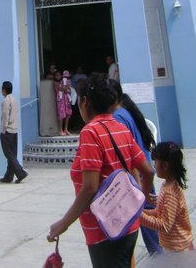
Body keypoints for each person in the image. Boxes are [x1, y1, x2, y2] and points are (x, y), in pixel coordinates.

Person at [47, 74, 154, 268]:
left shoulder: (90, 132)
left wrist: (63, 223)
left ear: (85, 102)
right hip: (129, 224)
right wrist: (139, 204)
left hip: (103, 230)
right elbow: (148, 172)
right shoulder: (120, 128)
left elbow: (89, 188)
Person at [111, 80, 160, 255]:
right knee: (150, 223)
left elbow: (125, 153)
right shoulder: (125, 112)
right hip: (141, 174)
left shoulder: (118, 118)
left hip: (137, 178)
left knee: (147, 225)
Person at [140, 141, 194, 252]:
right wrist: (143, 212)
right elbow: (160, 213)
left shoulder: (170, 193)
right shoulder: (167, 185)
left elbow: (165, 225)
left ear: (165, 165)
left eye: (155, 162)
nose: (153, 165)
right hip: (175, 245)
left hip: (178, 248)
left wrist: (140, 217)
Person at [0, 80, 28, 184]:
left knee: (9, 155)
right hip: (15, 130)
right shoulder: (15, 100)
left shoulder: (5, 101)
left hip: (7, 131)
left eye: (1, 88)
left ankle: (21, 173)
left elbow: (5, 116)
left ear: (4, 89)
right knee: (12, 155)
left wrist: (3, 129)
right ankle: (8, 177)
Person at [55, 71, 73, 136]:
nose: (66, 78)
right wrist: (67, 87)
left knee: (68, 114)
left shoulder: (66, 81)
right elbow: (63, 89)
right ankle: (60, 130)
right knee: (61, 114)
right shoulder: (57, 82)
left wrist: (67, 88)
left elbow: (69, 90)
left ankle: (65, 129)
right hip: (61, 100)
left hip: (66, 99)